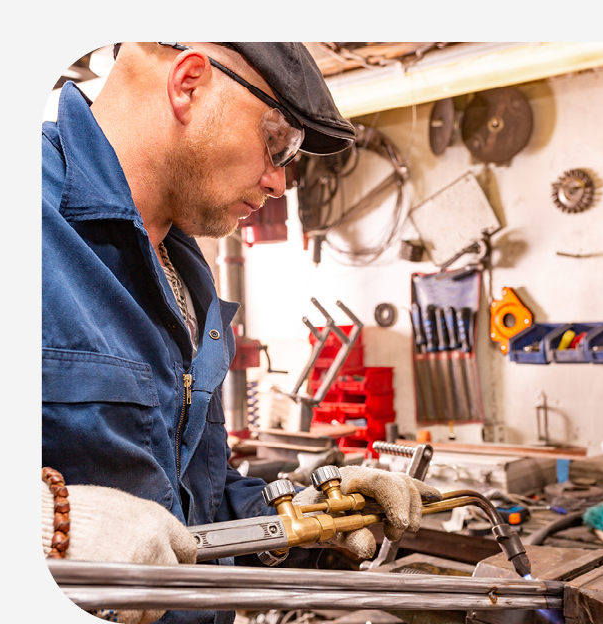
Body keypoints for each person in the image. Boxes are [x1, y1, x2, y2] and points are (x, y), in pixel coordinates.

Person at [40, 43, 433, 624]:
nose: (279, 182)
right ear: (190, 82)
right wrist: (41, 524)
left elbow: (195, 499)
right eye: (277, 144)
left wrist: (303, 515)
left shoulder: (187, 277)